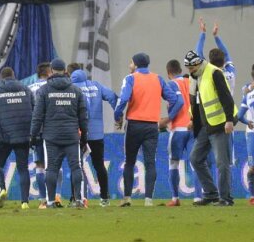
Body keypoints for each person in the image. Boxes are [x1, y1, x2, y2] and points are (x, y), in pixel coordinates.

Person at [114, 52, 183, 207]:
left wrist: (117, 115)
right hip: (152, 126)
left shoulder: (130, 78)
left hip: (134, 125)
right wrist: (168, 118)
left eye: (131, 63)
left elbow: (123, 99)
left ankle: (127, 198)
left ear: (136, 64)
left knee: (130, 162)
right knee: (150, 162)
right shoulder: (158, 79)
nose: (129, 65)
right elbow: (176, 100)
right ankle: (148, 200)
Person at [30, 60, 89, 209]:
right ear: (64, 71)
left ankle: (50, 201)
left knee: (51, 169)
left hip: (51, 137)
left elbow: (37, 116)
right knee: (76, 167)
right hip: (71, 136)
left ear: (52, 70)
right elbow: (83, 117)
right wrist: (84, 137)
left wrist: (33, 136)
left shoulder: (43, 91)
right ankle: (78, 200)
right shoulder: (76, 91)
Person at [184, 50, 237, 206]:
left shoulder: (214, 73)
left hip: (220, 124)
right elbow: (197, 102)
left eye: (191, 68)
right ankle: (211, 193)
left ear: (197, 64)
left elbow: (226, 97)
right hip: (206, 126)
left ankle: (226, 199)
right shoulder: (197, 77)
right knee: (195, 158)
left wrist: (229, 120)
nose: (189, 71)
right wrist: (193, 119)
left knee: (222, 163)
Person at [0, 67, 34, 210]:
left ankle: (3, 189)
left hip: (4, 136)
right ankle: (25, 202)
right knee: (23, 169)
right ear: (14, 76)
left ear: (0, 78)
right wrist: (35, 133)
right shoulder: (26, 89)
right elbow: (35, 110)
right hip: (23, 136)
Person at [70, 65, 118, 206]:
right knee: (99, 165)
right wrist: (117, 115)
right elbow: (113, 96)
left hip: (78, 133)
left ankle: (76, 198)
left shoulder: (72, 89)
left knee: (76, 166)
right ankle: (105, 197)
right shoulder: (96, 86)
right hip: (97, 134)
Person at [160, 60, 194, 206]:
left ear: (169, 73)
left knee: (173, 163)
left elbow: (179, 102)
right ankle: (198, 197)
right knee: (196, 163)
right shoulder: (191, 82)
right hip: (193, 127)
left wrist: (168, 119)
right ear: (180, 69)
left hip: (179, 128)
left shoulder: (173, 84)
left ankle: (175, 198)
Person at [28, 62, 53, 206]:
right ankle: (55, 196)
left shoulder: (29, 89)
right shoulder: (50, 89)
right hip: (51, 131)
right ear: (49, 73)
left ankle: (43, 199)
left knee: (39, 165)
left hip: (35, 132)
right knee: (53, 165)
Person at [237, 66, 254, 204]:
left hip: (252, 133)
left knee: (253, 167)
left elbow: (239, 116)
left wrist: (247, 121)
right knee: (252, 167)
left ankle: (253, 196)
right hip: (251, 134)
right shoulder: (247, 91)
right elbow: (239, 116)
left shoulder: (248, 94)